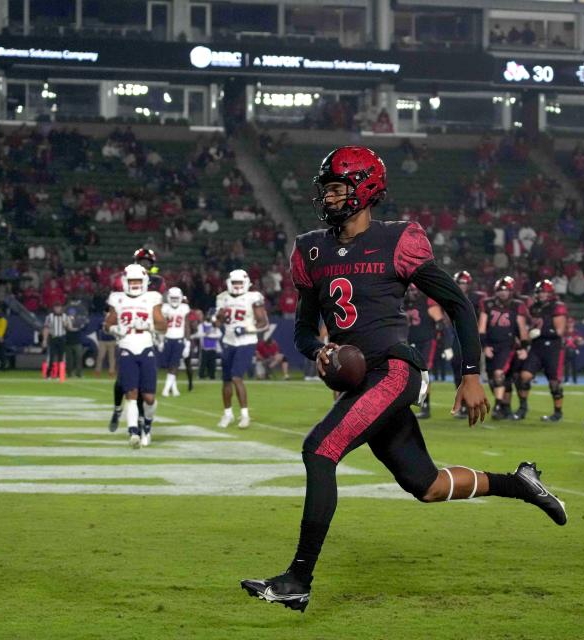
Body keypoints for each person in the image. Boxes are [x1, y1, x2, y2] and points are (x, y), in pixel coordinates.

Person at [241, 146, 567, 611]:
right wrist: (321, 350)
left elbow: (457, 303)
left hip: (393, 370)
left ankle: (298, 579)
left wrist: (470, 375)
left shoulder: (398, 239)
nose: (329, 198)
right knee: (426, 485)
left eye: (338, 188)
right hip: (359, 380)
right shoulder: (311, 248)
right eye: (326, 189)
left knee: (319, 450)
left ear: (366, 189)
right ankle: (521, 483)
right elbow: (302, 330)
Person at [103, 264, 166, 448]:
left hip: (146, 346)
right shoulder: (117, 298)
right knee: (131, 393)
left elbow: (163, 326)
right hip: (126, 346)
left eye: (138, 280)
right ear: (125, 282)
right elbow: (107, 325)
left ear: (145, 281)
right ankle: (133, 431)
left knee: (149, 398)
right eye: (132, 281)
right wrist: (115, 328)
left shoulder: (152, 298)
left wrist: (149, 326)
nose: (135, 284)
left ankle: (147, 424)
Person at [216, 269, 269, 429]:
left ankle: (245, 415)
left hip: (246, 341)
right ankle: (228, 414)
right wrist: (219, 317)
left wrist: (247, 329)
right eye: (235, 283)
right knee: (226, 380)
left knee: (236, 376)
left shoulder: (253, 297)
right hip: (228, 341)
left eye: (240, 282)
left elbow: (263, 323)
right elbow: (217, 322)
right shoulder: (222, 297)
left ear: (246, 283)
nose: (237, 285)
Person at [477, 276, 530, 420]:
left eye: (506, 290)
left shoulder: (517, 305)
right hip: (491, 345)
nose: (503, 293)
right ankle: (506, 408)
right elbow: (481, 328)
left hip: (508, 345)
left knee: (499, 374)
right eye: (500, 290)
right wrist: (485, 346)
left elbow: (522, 328)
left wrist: (524, 347)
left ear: (511, 291)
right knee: (494, 380)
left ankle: (498, 406)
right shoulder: (487, 304)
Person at [517, 279, 566, 422]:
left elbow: (559, 331)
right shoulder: (534, 307)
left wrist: (541, 331)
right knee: (524, 377)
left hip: (553, 348)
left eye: (545, 292)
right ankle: (523, 408)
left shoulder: (558, 306)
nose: (542, 294)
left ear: (551, 293)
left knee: (554, 383)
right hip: (537, 347)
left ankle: (558, 413)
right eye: (540, 292)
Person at [448, 270, 485, 418]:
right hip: (456, 337)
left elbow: (483, 317)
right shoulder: (449, 296)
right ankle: (463, 403)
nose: (461, 285)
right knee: (457, 370)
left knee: (471, 372)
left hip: (472, 338)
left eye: (464, 283)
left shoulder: (478, 299)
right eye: (459, 282)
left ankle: (472, 403)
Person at [405, 285, 444, 418]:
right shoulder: (404, 302)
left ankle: (425, 405)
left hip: (427, 341)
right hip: (410, 342)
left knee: (424, 372)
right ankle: (416, 402)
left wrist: (442, 342)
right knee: (411, 374)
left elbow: (440, 322)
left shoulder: (427, 300)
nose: (412, 292)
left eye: (414, 290)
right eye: (409, 290)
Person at [160, 287, 193, 397]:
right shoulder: (164, 308)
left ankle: (166, 389)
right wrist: (160, 339)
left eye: (176, 298)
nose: (174, 300)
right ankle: (174, 389)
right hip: (167, 338)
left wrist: (187, 343)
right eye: (172, 298)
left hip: (179, 338)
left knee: (174, 365)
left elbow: (187, 326)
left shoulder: (184, 308)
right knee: (169, 365)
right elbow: (162, 325)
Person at [42, 302, 69, 382]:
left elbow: (68, 327)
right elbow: (46, 328)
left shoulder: (65, 316)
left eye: (59, 307)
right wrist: (44, 339)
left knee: (61, 357)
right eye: (56, 307)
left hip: (62, 338)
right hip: (53, 338)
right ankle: (48, 374)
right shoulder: (49, 317)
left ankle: (59, 375)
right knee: (51, 356)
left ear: (61, 308)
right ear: (54, 308)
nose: (57, 309)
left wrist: (66, 324)